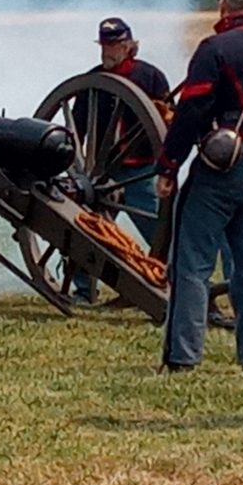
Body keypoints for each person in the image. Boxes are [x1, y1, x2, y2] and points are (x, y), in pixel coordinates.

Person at [156, 0, 243, 373]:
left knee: (190, 263)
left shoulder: (216, 48)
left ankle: (182, 355)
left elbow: (192, 110)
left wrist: (169, 165)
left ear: (225, 7)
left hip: (224, 164)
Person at [71, 17, 171, 304]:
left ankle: (164, 280)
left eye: (114, 45)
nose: (107, 52)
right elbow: (77, 126)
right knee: (84, 227)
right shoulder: (94, 79)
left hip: (140, 167)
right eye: (104, 45)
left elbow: (166, 120)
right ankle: (83, 289)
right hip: (103, 171)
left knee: (159, 229)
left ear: (129, 46)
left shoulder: (150, 77)